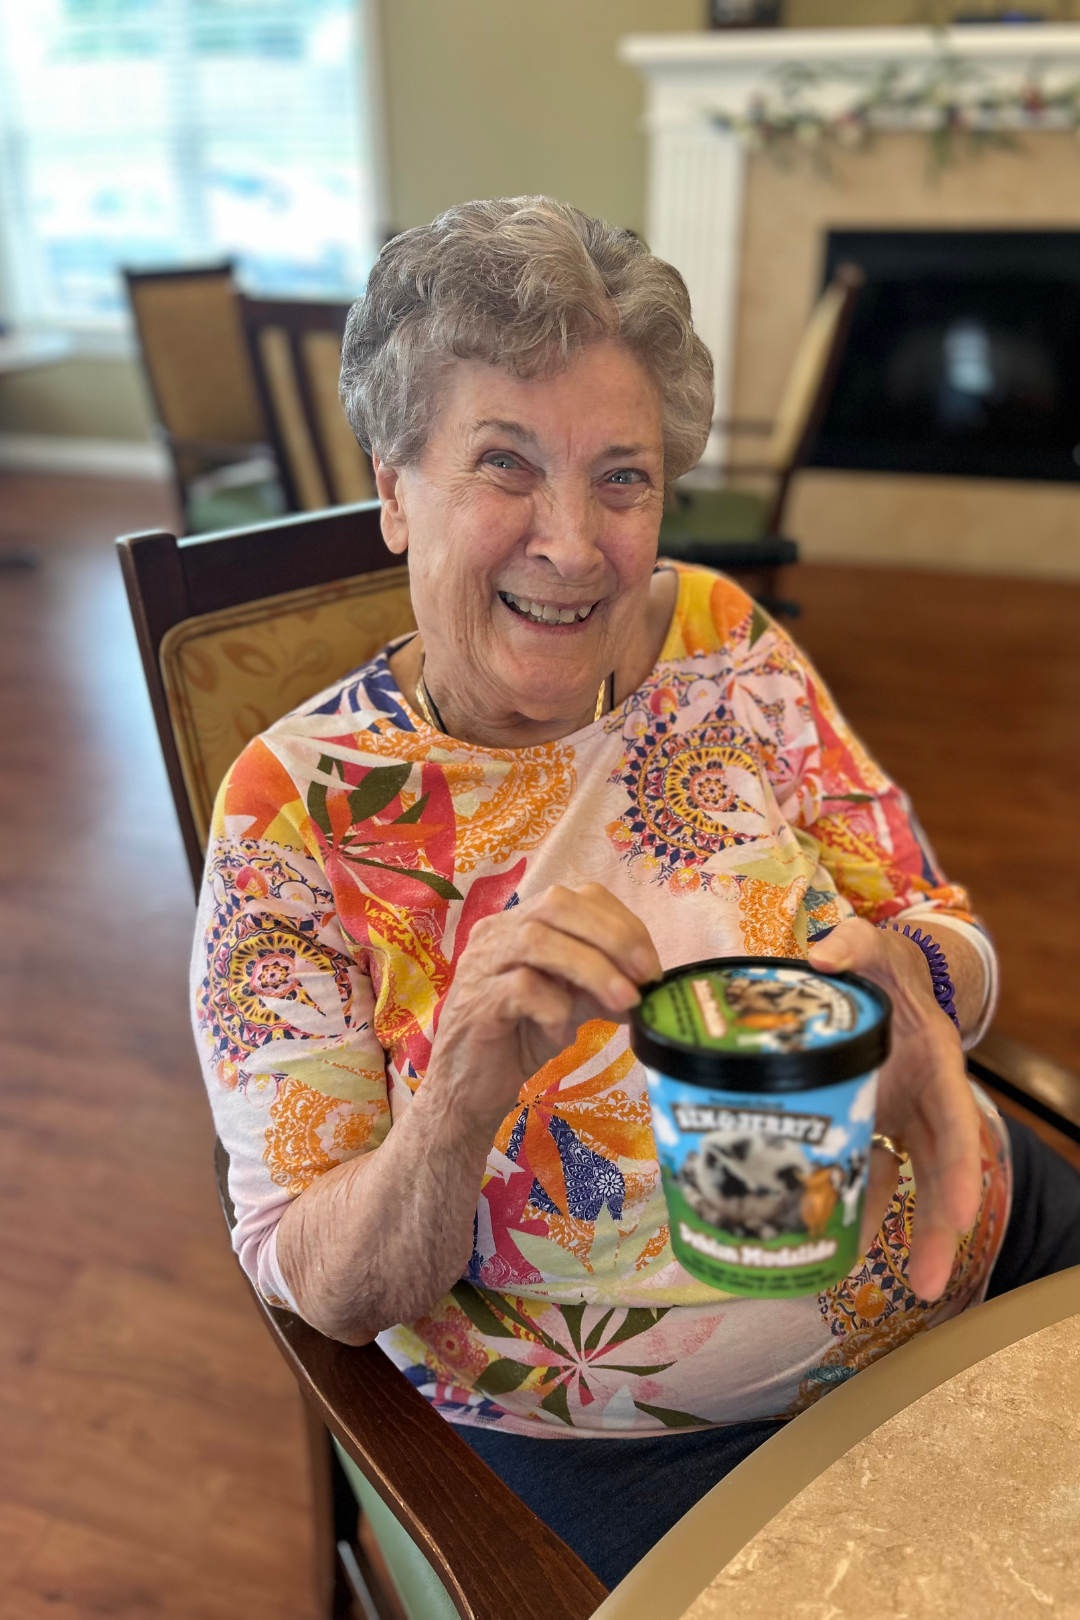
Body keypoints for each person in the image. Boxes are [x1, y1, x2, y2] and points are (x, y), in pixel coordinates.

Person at [191, 197, 1080, 1590]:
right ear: (395, 489)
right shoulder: (293, 817)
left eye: (623, 477)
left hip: (995, 1248)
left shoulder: (722, 638)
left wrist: (914, 977)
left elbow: (939, 914)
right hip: (661, 1455)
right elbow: (325, 1284)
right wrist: (459, 1094)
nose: (573, 542)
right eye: (505, 464)